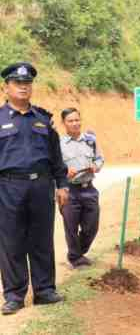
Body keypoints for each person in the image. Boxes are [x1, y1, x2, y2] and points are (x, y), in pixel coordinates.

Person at [0, 62, 68, 315]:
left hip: (41, 185)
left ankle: (44, 290)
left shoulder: (43, 119)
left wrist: (62, 185)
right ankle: (14, 295)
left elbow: (56, 157)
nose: (23, 87)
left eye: (27, 83)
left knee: (41, 239)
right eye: (18, 83)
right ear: (5, 87)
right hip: (8, 186)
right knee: (11, 241)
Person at [59, 108, 104, 269]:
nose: (75, 123)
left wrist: (96, 166)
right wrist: (65, 171)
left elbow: (100, 159)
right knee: (71, 227)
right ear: (64, 123)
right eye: (70, 121)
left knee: (91, 226)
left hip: (89, 189)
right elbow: (53, 167)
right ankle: (75, 258)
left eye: (77, 120)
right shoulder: (59, 145)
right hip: (69, 191)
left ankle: (78, 252)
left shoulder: (90, 140)